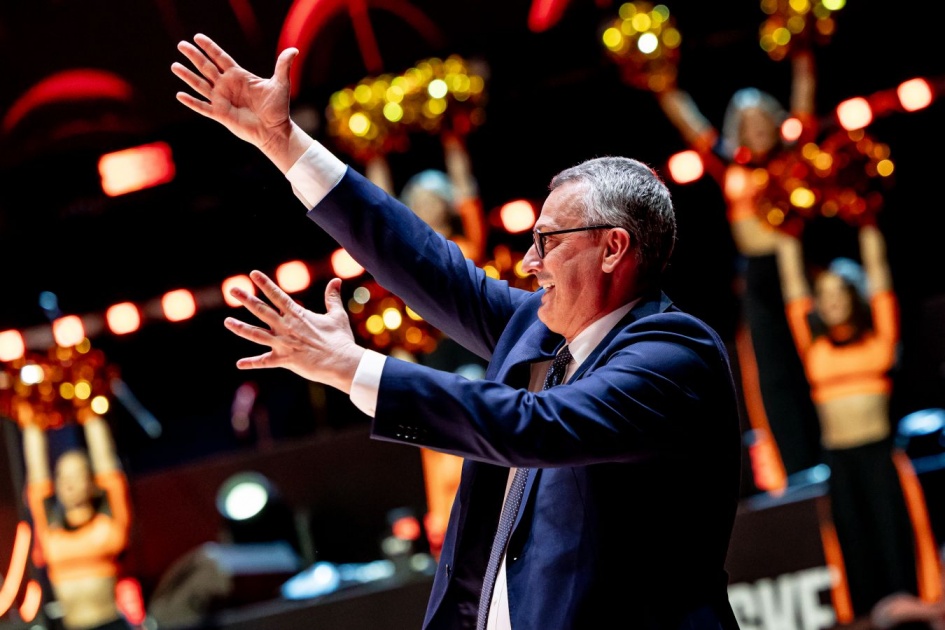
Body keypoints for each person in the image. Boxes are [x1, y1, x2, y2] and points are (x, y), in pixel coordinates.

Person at [172, 33, 743, 628]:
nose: (530, 262)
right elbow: (426, 264)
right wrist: (284, 142)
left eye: (547, 240)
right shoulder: (541, 331)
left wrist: (350, 365)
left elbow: (534, 426)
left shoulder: (674, 353)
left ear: (613, 247)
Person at [655, 48, 823, 488]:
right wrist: (666, 89)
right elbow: (693, 128)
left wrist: (804, 60)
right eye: (748, 123)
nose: (757, 128)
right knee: (771, 370)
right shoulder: (731, 162)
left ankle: (828, 450)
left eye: (762, 119)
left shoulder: (791, 155)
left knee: (814, 357)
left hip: (797, 272)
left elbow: (804, 105)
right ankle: (796, 467)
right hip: (755, 275)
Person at [775, 221, 935, 617]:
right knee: (854, 548)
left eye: (838, 292)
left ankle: (913, 616)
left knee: (896, 543)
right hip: (840, 462)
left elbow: (879, 277)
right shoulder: (814, 347)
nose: (830, 301)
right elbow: (793, 289)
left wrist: (867, 221)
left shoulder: (879, 339)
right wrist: (787, 232)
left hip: (881, 457)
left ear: (852, 295)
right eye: (823, 294)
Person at [363, 131, 489, 559]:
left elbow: (470, 198)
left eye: (432, 197)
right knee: (436, 448)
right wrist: (373, 155)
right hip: (430, 358)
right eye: (416, 198)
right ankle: (446, 534)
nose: (424, 203)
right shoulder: (406, 251)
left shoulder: (465, 247)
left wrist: (455, 142)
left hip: (469, 354)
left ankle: (492, 521)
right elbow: (380, 206)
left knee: (477, 439)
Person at [18, 405, 134, 630]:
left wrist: (88, 403)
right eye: (62, 476)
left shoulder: (108, 520)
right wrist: (32, 409)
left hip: (110, 624)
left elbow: (106, 461)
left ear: (92, 482)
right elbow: (36, 470)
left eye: (77, 475)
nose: (69, 482)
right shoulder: (50, 525)